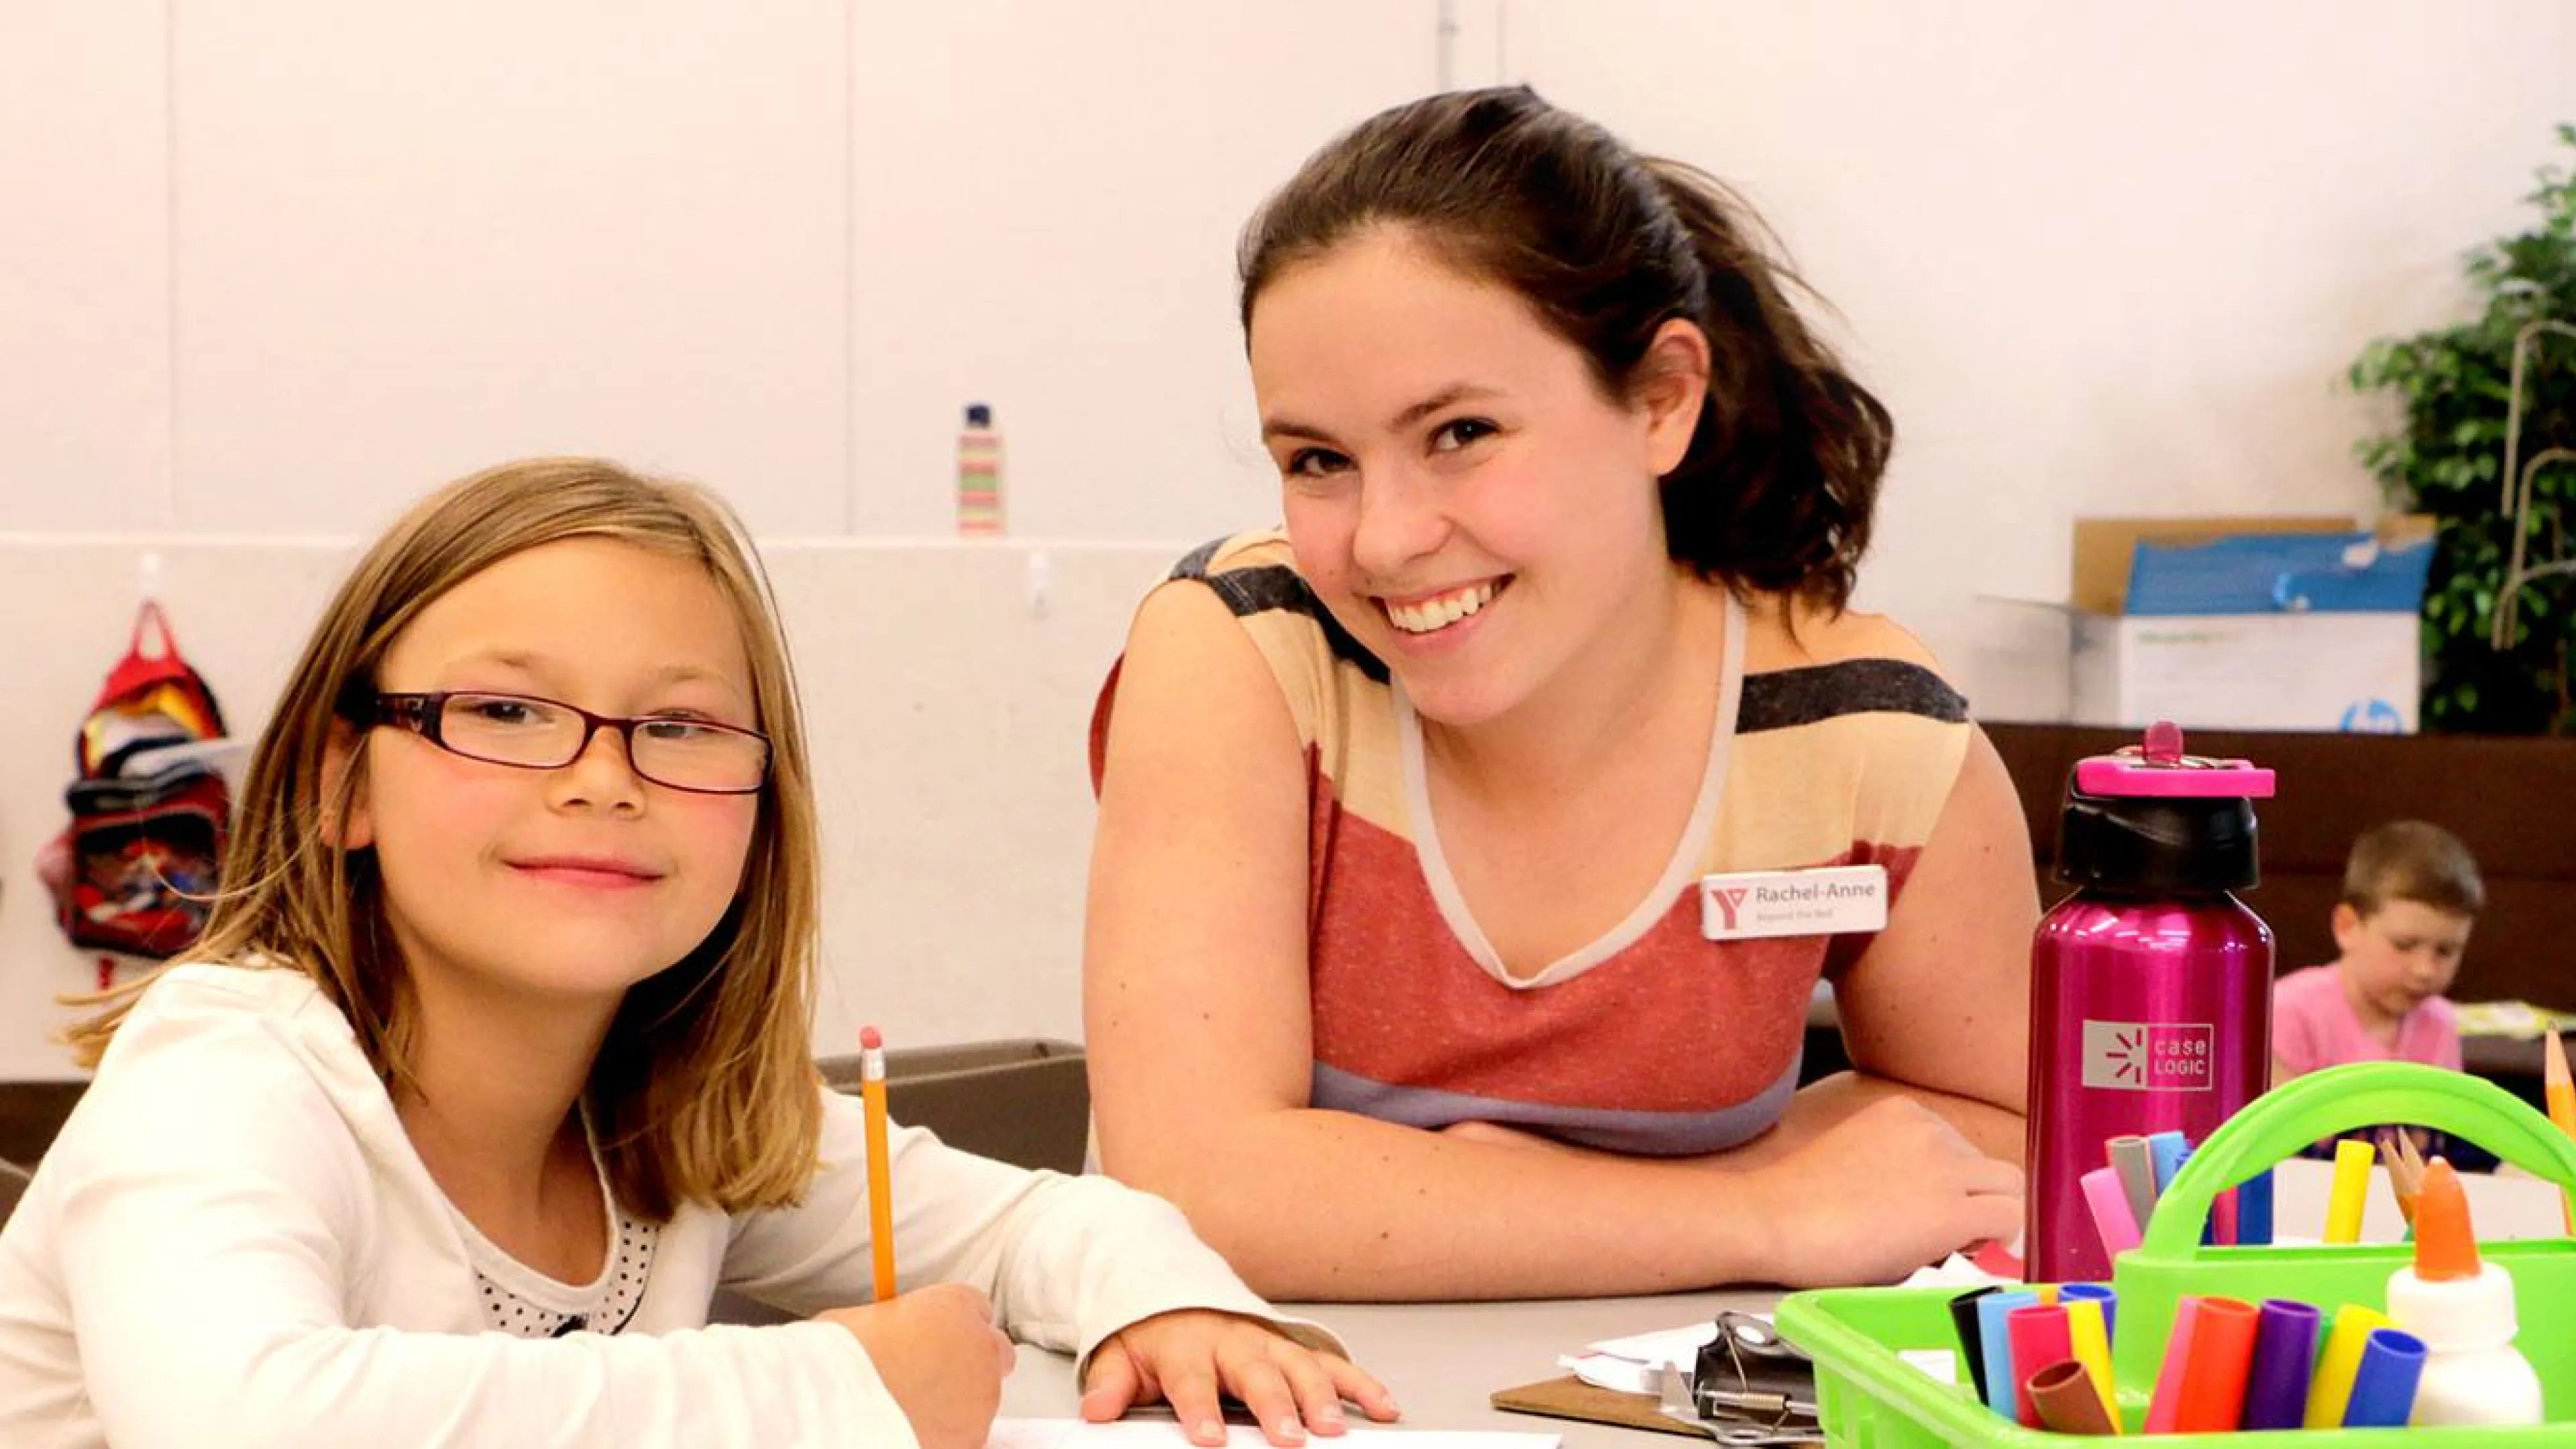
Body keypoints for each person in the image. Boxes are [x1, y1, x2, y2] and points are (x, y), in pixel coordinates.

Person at [0, 460, 1393, 1448]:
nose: (605, 779)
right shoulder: (229, 1067)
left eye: (678, 729)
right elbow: (239, 1421)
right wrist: (838, 1389)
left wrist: (1175, 1301)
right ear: (339, 785)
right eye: (506, 709)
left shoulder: (672, 1114)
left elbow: (1039, 1223)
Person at [1083, 87, 2034, 1302]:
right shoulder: (1241, 651)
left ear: (1660, 400)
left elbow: (2006, 1125)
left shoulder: (1872, 730)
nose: (1384, 539)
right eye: (1318, 460)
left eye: (1462, 432)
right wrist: (1757, 1214)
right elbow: (1196, 1188)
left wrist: (1475, 1198)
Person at [2273, 819, 2480, 1083]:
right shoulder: (2288, 1013)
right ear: (2347, 927)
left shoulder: (2439, 1023)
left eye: (2446, 951)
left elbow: (2441, 1121)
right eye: (2404, 945)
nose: (2425, 970)